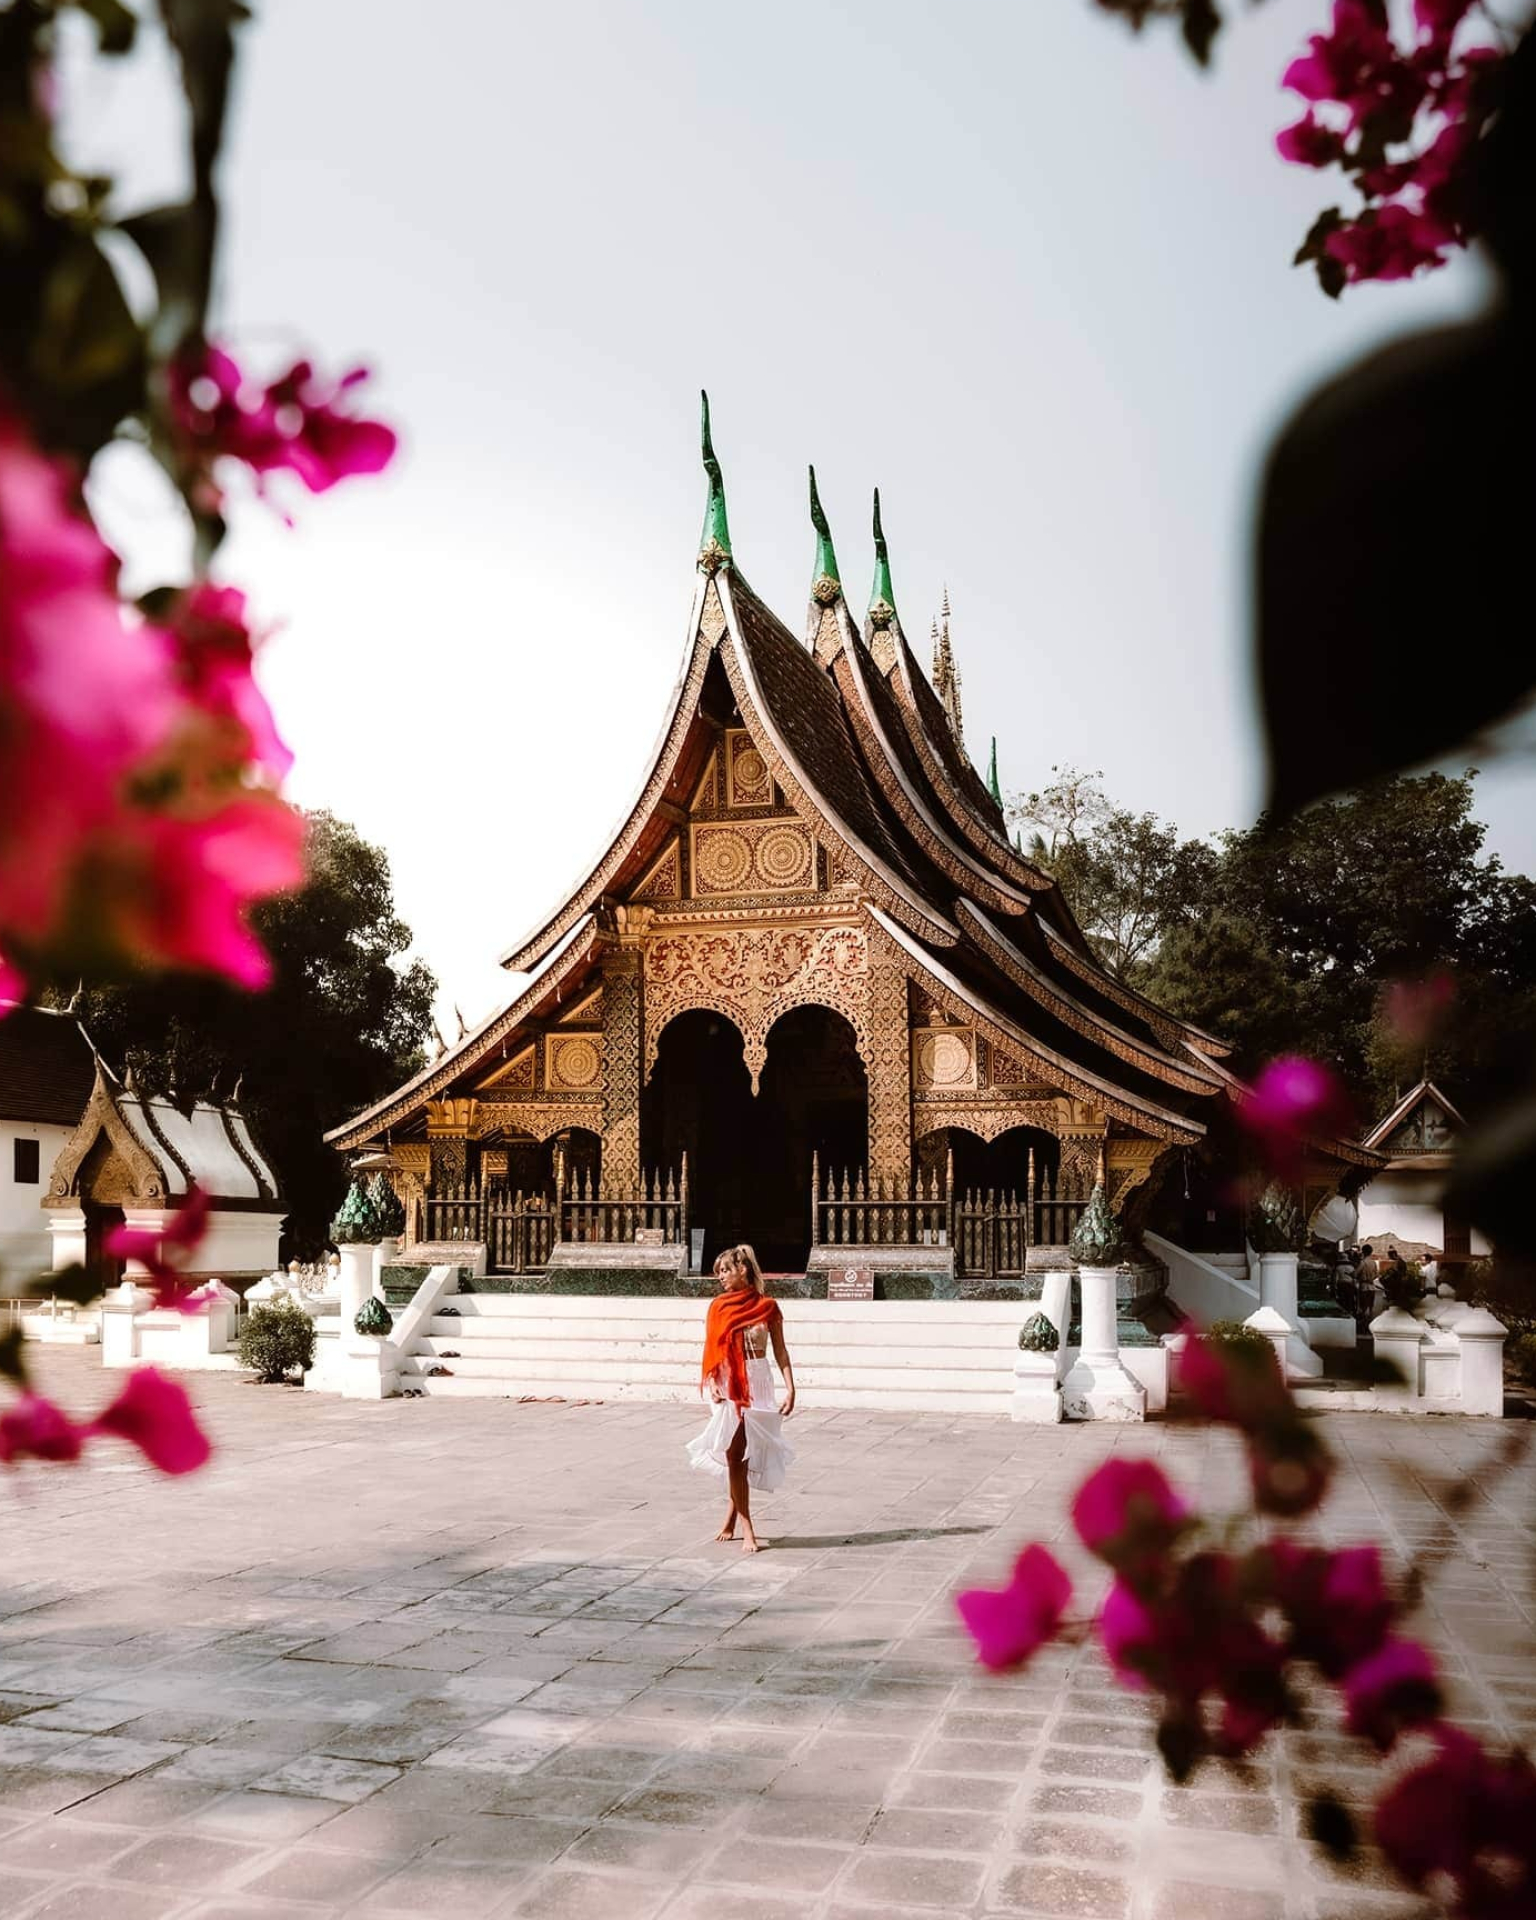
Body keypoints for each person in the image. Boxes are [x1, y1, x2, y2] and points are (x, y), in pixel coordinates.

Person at [686, 1244, 795, 1554]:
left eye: (725, 1270)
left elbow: (781, 1351)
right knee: (735, 1455)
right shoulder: (718, 1308)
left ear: (742, 1270)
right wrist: (712, 1383)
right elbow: (711, 1349)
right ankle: (747, 1526)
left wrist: (791, 1388)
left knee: (746, 1454)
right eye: (718, 1272)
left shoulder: (768, 1307)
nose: (720, 1277)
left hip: (759, 1380)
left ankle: (732, 1515)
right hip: (729, 1382)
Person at [1355, 1244, 1381, 1327]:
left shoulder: (1362, 1262)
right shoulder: (1373, 1262)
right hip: (1372, 1287)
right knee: (1370, 1307)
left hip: (1364, 1287)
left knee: (1363, 1308)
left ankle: (1364, 1326)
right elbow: (1376, 1274)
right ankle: (1370, 1324)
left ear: (1363, 1252)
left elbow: (1356, 1273)